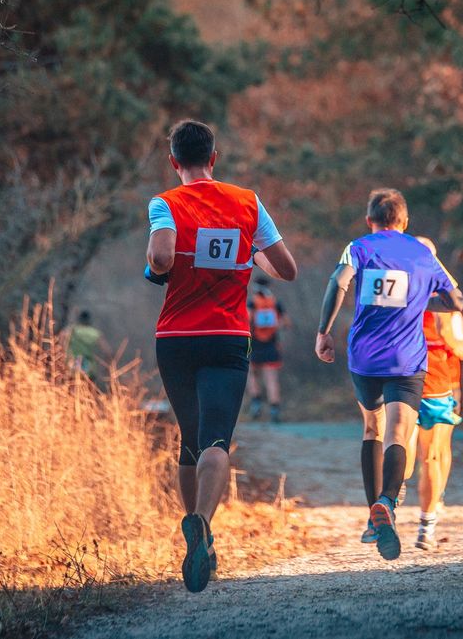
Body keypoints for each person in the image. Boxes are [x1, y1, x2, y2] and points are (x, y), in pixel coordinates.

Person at [144, 119, 297, 592]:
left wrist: (157, 263)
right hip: (228, 337)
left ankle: (190, 523)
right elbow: (286, 269)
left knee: (188, 439)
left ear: (174, 162)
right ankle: (204, 527)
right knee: (216, 441)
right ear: (214, 158)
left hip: (175, 339)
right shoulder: (248, 202)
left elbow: (162, 259)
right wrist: (248, 255)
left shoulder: (164, 202)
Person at [315, 189, 463, 561]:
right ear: (405, 222)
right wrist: (417, 299)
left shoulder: (359, 246)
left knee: (372, 428)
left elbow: (339, 282)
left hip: (364, 358)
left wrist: (324, 331)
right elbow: (456, 302)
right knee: (399, 432)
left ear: (371, 221)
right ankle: (387, 503)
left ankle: (373, 518)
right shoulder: (421, 252)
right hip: (407, 359)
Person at [411, 237, 463, 551]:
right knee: (433, 453)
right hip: (436, 381)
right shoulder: (442, 297)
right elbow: (462, 347)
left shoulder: (429, 296)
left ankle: (434, 500)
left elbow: (462, 348)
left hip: (438, 378)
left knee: (434, 451)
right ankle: (429, 517)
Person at [246, 277, 288, 422]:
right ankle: (274, 409)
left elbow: (247, 320)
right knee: (272, 378)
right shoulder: (275, 303)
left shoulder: (252, 303)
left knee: (253, 375)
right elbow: (285, 324)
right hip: (272, 344)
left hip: (254, 344)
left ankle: (256, 401)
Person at [67, 310, 106, 385]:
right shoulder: (95, 333)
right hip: (90, 368)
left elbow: (60, 342)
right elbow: (107, 351)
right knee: (88, 392)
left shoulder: (72, 331)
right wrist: (104, 369)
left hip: (73, 366)